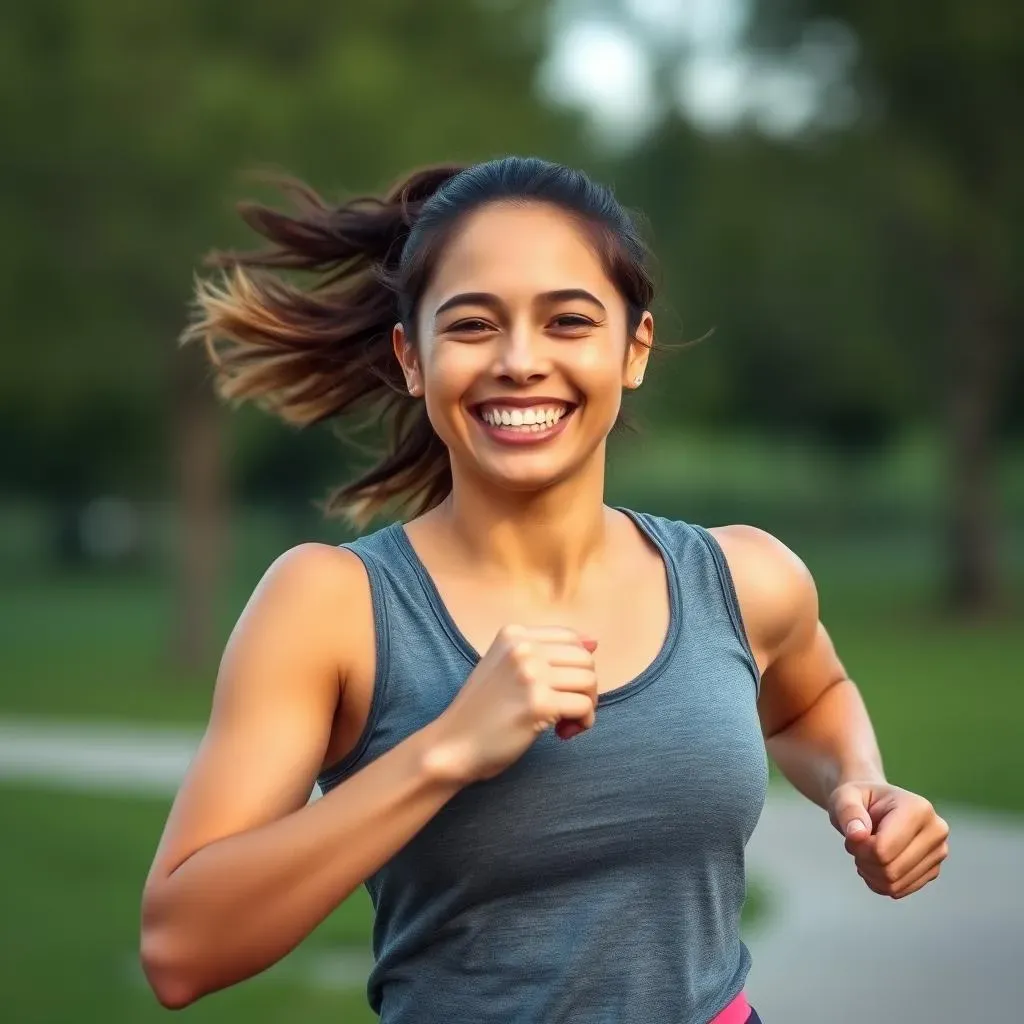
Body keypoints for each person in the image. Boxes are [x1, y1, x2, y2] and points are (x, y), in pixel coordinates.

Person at [140, 157, 949, 1023]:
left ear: (632, 350)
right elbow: (181, 951)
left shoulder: (744, 578)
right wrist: (445, 751)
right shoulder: (332, 606)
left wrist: (859, 785)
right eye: (474, 325)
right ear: (412, 359)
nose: (521, 362)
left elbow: (808, 698)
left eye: (568, 320)